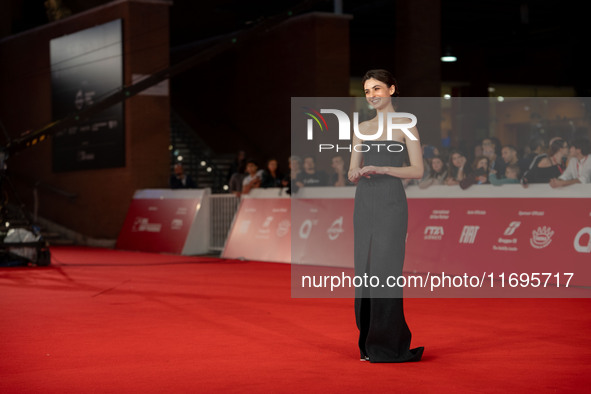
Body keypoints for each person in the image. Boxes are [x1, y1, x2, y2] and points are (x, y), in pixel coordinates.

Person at [348, 69, 424, 363]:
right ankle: (367, 344)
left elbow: (417, 170)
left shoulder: (406, 124)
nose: (372, 95)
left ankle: (389, 345)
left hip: (392, 200)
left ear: (391, 89)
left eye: (377, 88)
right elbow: (351, 170)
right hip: (364, 201)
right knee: (364, 270)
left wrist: (382, 169)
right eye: (367, 91)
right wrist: (355, 173)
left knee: (386, 271)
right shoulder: (361, 127)